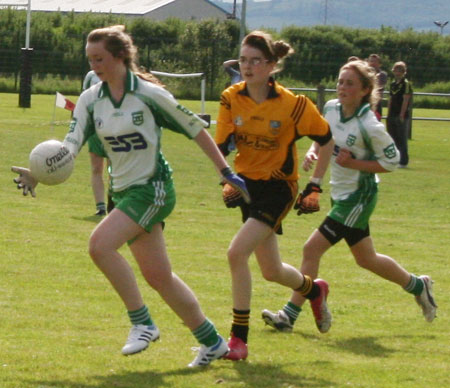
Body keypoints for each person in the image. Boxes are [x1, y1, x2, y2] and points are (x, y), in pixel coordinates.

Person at [12, 25, 251, 368]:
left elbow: (195, 129)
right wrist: (38, 173)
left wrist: (225, 171)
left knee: (100, 246)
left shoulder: (149, 95)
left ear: (121, 57)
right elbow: (70, 147)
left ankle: (142, 322)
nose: (95, 66)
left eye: (100, 58)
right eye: (90, 59)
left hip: (153, 188)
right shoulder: (91, 100)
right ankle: (212, 342)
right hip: (123, 191)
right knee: (159, 277)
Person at [262, 60, 436, 334]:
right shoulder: (331, 108)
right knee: (366, 258)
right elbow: (322, 137)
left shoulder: (369, 125)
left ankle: (288, 315)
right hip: (341, 194)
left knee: (311, 249)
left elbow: (392, 161)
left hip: (359, 197)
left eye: (350, 83)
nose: (342, 87)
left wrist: (355, 164)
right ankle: (417, 285)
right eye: (341, 81)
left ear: (365, 89)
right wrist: (313, 151)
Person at [215, 30, 334, 361]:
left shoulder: (293, 105)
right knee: (271, 270)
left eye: (255, 61)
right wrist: (225, 178)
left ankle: (239, 339)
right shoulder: (230, 98)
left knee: (236, 253)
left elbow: (326, 140)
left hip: (280, 187)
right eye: (243, 60)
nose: (248, 66)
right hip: (247, 186)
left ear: (271, 66)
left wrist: (315, 185)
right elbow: (221, 146)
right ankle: (314, 290)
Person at [82, 70, 112, 216]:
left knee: (114, 170)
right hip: (95, 129)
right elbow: (85, 100)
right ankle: (100, 208)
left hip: (114, 128)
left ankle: (115, 204)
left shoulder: (116, 74)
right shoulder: (90, 76)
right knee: (96, 168)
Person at [387, 61, 413, 168]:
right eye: (396, 70)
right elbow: (390, 99)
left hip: (401, 115)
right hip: (392, 114)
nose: (398, 73)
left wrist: (402, 114)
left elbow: (406, 100)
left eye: (400, 71)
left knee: (402, 138)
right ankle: (395, 159)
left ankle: (403, 161)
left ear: (404, 72)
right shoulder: (392, 84)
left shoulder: (406, 84)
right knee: (393, 137)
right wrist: (388, 113)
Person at [367, 54, 388, 120]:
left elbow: (379, 86)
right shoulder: (365, 73)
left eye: (375, 61)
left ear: (379, 64)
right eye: (371, 61)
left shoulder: (382, 74)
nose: (372, 63)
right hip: (365, 102)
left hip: (376, 103)